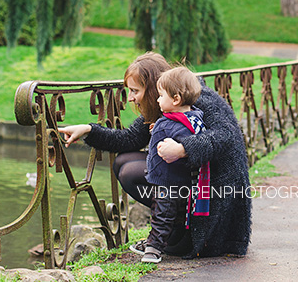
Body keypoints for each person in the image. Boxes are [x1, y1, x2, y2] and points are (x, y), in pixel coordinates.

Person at [58, 52, 252, 258]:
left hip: (213, 205)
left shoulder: (197, 98)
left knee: (131, 171)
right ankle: (172, 230)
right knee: (123, 162)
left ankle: (181, 235)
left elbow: (226, 135)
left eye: (135, 90)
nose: (130, 98)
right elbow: (129, 139)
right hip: (190, 184)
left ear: (152, 88)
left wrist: (182, 148)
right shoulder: (165, 103)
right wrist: (88, 130)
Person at [137, 66, 204, 263]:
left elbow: (185, 142)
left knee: (162, 215)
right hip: (171, 181)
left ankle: (154, 249)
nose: (157, 100)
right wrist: (156, 129)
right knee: (171, 215)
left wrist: (176, 146)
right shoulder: (183, 118)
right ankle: (170, 244)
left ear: (175, 99)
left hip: (169, 182)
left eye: (160, 96)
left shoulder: (183, 126)